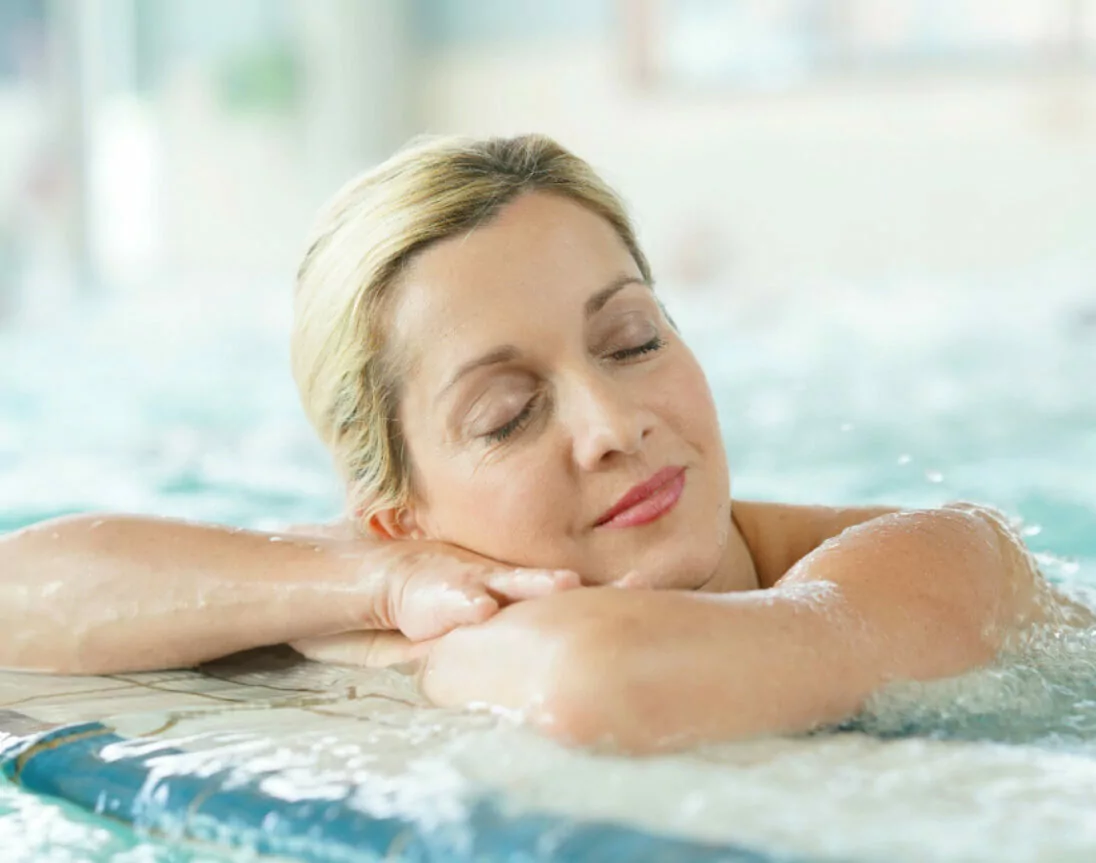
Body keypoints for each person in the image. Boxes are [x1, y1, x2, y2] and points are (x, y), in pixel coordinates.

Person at [0, 135, 1078, 753]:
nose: (614, 427)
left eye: (631, 339)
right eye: (509, 413)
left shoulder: (942, 556)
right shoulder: (405, 575)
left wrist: (403, 637)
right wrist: (377, 585)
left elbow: (602, 680)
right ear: (398, 513)